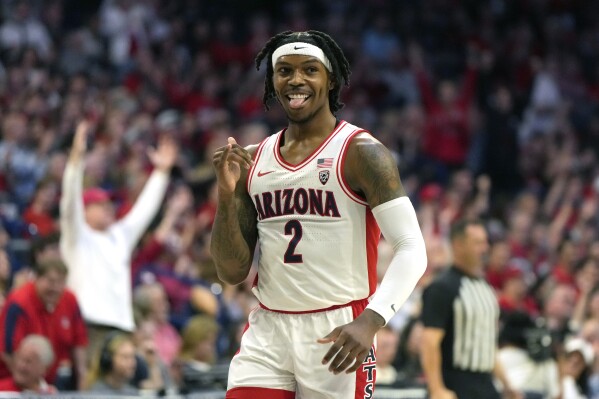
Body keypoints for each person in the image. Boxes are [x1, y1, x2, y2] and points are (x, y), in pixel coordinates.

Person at [210, 30, 427, 399]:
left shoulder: (362, 152)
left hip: (340, 328)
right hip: (269, 329)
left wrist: (372, 321)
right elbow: (230, 273)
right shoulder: (253, 159)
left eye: (309, 69)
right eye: (284, 71)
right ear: (272, 81)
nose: (296, 80)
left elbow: (411, 248)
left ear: (331, 80)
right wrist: (228, 196)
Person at [59, 121, 178, 352]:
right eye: (100, 204)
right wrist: (75, 161)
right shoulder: (77, 235)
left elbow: (144, 210)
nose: (108, 208)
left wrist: (161, 173)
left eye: (109, 204)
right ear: (85, 211)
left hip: (121, 326)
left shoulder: (119, 236)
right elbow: (69, 200)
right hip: (87, 324)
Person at [420, 219, 519, 399]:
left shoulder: (485, 288)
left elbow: (488, 344)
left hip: (485, 383)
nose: (485, 248)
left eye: (485, 242)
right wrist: (436, 389)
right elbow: (429, 342)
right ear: (458, 245)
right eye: (478, 243)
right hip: (454, 382)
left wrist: (507, 384)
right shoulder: (442, 287)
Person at [0, 258, 88, 390]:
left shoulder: (70, 300)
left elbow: (79, 343)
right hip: (11, 382)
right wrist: (32, 386)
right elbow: (7, 352)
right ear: (36, 279)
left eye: (61, 282)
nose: (56, 288)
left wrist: (82, 382)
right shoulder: (19, 302)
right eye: (51, 281)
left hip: (47, 381)